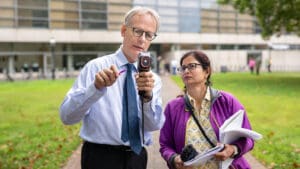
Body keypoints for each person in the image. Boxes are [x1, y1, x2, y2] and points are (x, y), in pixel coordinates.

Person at [59, 6, 165, 169]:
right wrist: (95, 88)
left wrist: (147, 98)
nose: (142, 39)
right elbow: (67, 117)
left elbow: (154, 125)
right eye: (137, 31)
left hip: (137, 157)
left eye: (149, 35)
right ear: (123, 30)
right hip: (100, 157)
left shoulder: (153, 80)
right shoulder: (95, 68)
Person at [159, 50, 255, 169]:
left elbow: (249, 139)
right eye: (183, 68)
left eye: (192, 66)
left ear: (207, 71)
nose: (186, 71)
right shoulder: (172, 107)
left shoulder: (227, 101)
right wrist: (174, 159)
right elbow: (165, 145)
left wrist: (232, 149)